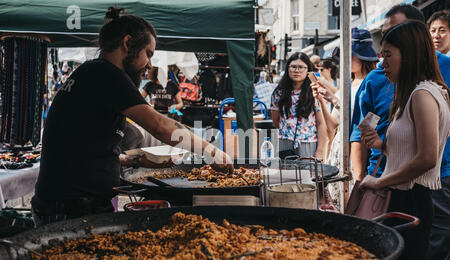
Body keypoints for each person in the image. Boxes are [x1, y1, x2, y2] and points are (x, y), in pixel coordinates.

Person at [31, 7, 233, 226]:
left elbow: (81, 148)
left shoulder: (92, 72)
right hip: (72, 209)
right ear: (127, 43)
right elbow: (159, 125)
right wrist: (211, 151)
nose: (149, 64)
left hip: (66, 204)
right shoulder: (107, 74)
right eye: (148, 53)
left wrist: (132, 160)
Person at [360, 20, 450, 260]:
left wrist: (380, 181)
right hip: (403, 199)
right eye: (381, 54)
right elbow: (411, 151)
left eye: (388, 55)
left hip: (410, 201)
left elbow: (426, 158)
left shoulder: (423, 95)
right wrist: (382, 145)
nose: (381, 62)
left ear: (409, 54)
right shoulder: (414, 92)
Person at [350, 4, 450, 182]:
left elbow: (426, 158)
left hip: (433, 182)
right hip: (383, 178)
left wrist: (380, 184)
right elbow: (365, 127)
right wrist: (361, 180)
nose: (389, 40)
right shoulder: (375, 79)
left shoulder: (426, 89)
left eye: (397, 33)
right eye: (385, 34)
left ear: (416, 36)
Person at [312, 28, 378, 210]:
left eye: (350, 55)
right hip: (340, 149)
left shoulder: (373, 82)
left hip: (360, 149)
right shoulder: (347, 85)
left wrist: (334, 100)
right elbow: (333, 124)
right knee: (338, 202)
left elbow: (367, 122)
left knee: (356, 203)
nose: (345, 60)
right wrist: (322, 100)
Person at [422, 9, 450, 260]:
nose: (437, 36)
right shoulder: (423, 68)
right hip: (433, 173)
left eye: (443, 30)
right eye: (433, 30)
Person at [271, 52, 327, 160]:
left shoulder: (314, 92)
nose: (297, 70)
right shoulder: (278, 93)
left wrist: (320, 151)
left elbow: (321, 123)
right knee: (285, 175)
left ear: (307, 70)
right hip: (284, 142)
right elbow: (275, 120)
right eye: (293, 67)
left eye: (301, 67)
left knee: (307, 175)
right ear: (288, 69)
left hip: (308, 143)